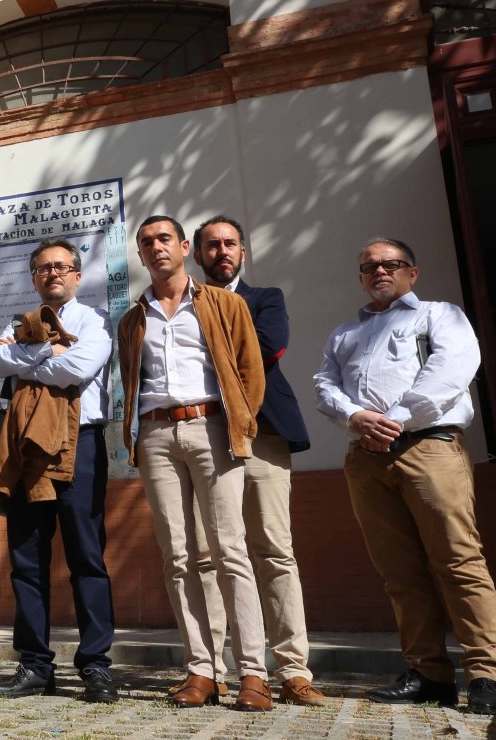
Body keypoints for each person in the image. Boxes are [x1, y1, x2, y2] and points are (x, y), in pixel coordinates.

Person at [315, 237, 496, 715]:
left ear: (412, 273)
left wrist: (396, 416)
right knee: (399, 572)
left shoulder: (440, 315)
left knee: (458, 560)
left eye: (391, 264)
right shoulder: (344, 334)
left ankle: (487, 674)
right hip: (366, 457)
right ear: (360, 277)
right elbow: (325, 384)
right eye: (370, 267)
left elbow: (451, 370)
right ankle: (428, 673)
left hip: (430, 449)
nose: (380, 272)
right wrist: (357, 418)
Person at [116, 215, 270, 712]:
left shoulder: (224, 303)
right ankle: (201, 669)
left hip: (213, 429)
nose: (156, 248)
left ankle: (253, 673)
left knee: (231, 551)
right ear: (140, 255)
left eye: (164, 239)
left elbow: (251, 371)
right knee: (178, 557)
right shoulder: (132, 318)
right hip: (156, 435)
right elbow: (130, 379)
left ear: (185, 247)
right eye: (146, 243)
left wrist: (240, 425)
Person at [187, 216, 326, 706]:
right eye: (211, 245)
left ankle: (292, 671)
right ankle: (214, 671)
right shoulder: (179, 306)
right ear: (196, 254)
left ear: (243, 252)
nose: (221, 251)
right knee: (206, 555)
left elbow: (267, 347)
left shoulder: (266, 297)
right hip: (203, 436)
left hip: (262, 432)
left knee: (273, 549)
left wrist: (204, 345)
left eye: (230, 244)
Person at [0, 238, 117, 704]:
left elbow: (79, 368)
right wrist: (49, 355)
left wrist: (29, 361)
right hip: (25, 449)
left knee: (86, 557)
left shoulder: (95, 320)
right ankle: (35, 664)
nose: (52, 274)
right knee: (26, 558)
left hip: (80, 444)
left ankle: (96, 665)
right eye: (43, 269)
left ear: (77, 276)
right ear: (34, 278)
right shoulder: (19, 322)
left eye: (61, 267)